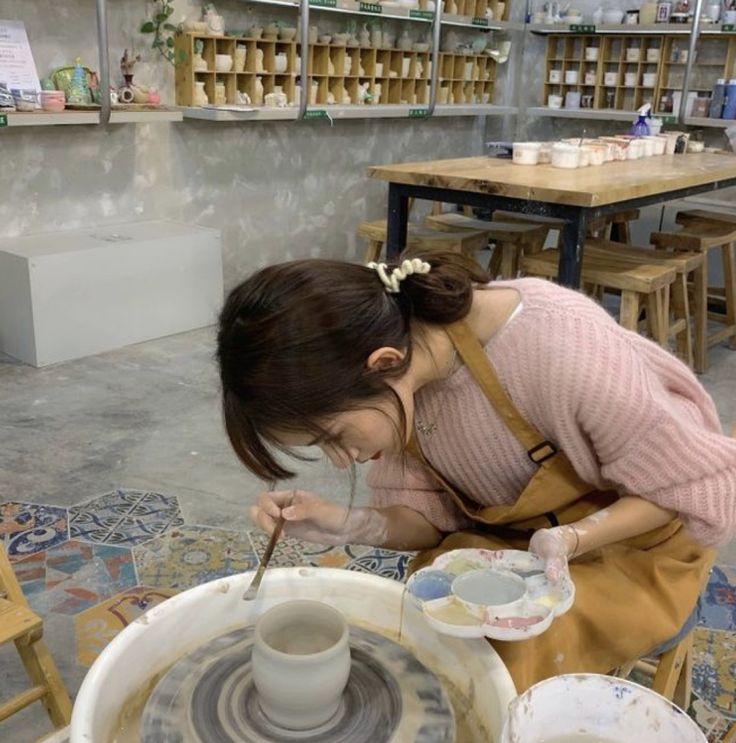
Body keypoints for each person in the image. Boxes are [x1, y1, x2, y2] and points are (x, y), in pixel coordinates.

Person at [217, 249, 736, 691]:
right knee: (432, 608)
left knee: (512, 644)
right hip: (519, 537)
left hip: (637, 541)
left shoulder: (559, 349)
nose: (342, 458)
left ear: (382, 363)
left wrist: (575, 538)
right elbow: (435, 520)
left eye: (335, 437)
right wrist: (345, 522)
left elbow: (691, 484)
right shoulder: (400, 384)